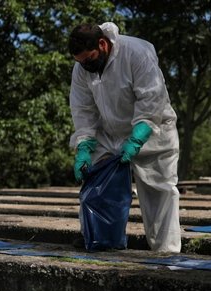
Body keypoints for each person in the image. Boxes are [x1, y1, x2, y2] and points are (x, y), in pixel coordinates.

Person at [68, 22, 181, 253]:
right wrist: (84, 144)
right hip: (110, 134)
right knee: (97, 180)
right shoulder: (82, 69)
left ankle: (166, 253)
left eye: (89, 59)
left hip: (151, 129)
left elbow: (151, 98)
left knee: (159, 191)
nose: (85, 67)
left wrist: (138, 137)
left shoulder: (136, 52)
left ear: (102, 44)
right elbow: (82, 109)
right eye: (80, 62)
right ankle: (99, 238)